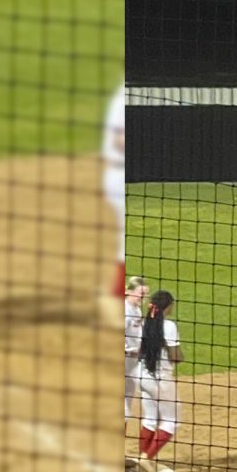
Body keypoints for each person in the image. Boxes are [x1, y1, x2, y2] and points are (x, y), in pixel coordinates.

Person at [133, 289, 181, 472]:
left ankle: (140, 465)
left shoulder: (143, 323)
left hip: (141, 376)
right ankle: (146, 458)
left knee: (150, 419)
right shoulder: (168, 326)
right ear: (168, 307)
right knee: (172, 421)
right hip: (160, 380)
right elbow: (176, 356)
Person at [99, 82, 125, 326]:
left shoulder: (119, 93)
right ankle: (114, 299)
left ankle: (114, 298)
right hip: (118, 179)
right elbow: (118, 140)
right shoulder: (120, 98)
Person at [122, 276, 149, 472]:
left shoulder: (136, 308)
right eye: (141, 293)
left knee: (126, 407)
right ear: (131, 291)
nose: (144, 297)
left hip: (133, 363)